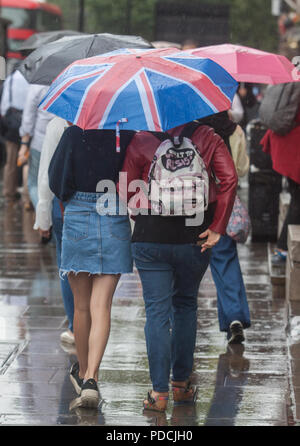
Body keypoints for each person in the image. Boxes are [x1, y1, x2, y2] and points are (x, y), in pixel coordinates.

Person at [120, 120, 238, 412]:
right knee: (185, 306)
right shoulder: (208, 137)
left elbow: (124, 187)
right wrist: (218, 227)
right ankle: (181, 386)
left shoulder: (142, 139)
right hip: (194, 237)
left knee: (157, 313)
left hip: (150, 238)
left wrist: (144, 213)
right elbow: (229, 178)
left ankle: (158, 394)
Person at [48, 125, 135, 408]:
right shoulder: (128, 134)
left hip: (79, 217)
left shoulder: (73, 134)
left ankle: (84, 373)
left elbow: (56, 181)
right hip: (114, 215)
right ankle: (92, 379)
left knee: (81, 306)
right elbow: (136, 178)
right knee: (102, 306)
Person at [198, 112, 251, 343]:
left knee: (187, 267)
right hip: (224, 204)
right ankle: (234, 317)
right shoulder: (235, 131)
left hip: (195, 204)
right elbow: (240, 170)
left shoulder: (195, 132)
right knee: (225, 259)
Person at [34, 116, 75, 345]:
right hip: (102, 204)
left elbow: (46, 174)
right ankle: (93, 323)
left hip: (64, 205)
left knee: (66, 264)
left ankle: (75, 327)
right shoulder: (109, 120)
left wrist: (43, 216)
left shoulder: (58, 124)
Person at [260, 108, 300, 263]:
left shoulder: (292, 88)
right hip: (293, 149)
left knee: (296, 198)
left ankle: (282, 247)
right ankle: (283, 248)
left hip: (286, 146)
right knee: (297, 200)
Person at [18, 84, 55, 209]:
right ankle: (52, 214)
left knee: (34, 181)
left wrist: (24, 144)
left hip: (39, 142)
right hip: (60, 140)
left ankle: (42, 216)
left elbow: (28, 118)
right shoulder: (65, 82)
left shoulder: (36, 87)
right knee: (54, 182)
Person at [0, 69, 29, 204]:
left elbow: (4, 104)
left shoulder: (10, 79)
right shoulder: (32, 80)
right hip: (26, 124)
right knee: (27, 161)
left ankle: (8, 193)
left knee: (10, 161)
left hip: (11, 123)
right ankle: (26, 195)